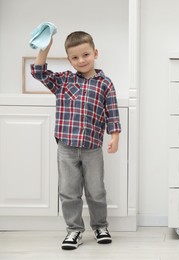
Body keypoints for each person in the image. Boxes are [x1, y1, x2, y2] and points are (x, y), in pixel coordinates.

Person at [31, 31, 121, 250]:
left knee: (96, 190)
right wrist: (45, 47)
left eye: (86, 54)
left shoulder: (105, 84)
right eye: (75, 57)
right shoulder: (63, 81)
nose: (81, 61)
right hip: (66, 148)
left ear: (95, 53)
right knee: (69, 191)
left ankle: (100, 226)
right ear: (69, 60)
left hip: (92, 148)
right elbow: (39, 73)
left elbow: (112, 111)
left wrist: (115, 136)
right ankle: (74, 230)